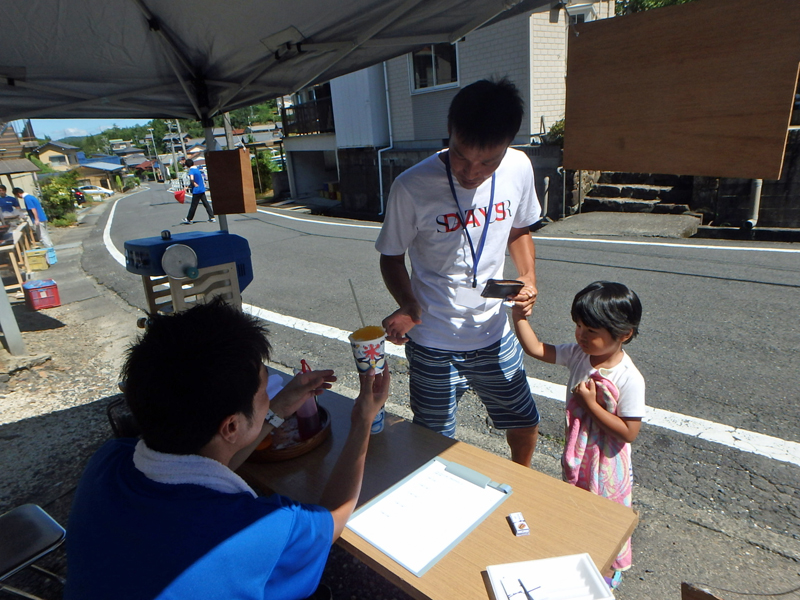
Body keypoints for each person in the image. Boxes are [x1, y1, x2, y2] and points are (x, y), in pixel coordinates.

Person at [65, 299, 389, 600]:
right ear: (231, 426)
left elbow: (204, 467)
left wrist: (276, 409)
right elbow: (334, 518)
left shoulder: (108, 460)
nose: (268, 397)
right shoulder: (255, 528)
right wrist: (362, 419)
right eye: (264, 390)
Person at [375, 78, 541, 466]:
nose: (471, 172)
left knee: (524, 423)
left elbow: (519, 229)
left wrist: (528, 276)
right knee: (432, 439)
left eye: (488, 162)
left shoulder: (519, 167)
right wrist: (408, 303)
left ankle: (523, 485)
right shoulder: (411, 186)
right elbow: (391, 257)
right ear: (449, 133)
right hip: (432, 340)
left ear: (508, 146)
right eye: (461, 156)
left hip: (494, 333)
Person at [511, 281, 645, 588]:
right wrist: (519, 316)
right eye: (578, 326)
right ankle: (583, 550)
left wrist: (590, 404)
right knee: (578, 505)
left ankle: (609, 567)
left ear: (624, 334)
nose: (581, 335)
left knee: (607, 514)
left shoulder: (629, 378)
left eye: (591, 331)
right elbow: (537, 349)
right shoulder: (579, 355)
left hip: (608, 463)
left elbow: (629, 432)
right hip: (579, 452)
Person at [182, 158, 215, 224]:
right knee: (206, 204)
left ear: (187, 165)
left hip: (196, 190)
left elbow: (192, 179)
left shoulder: (191, 171)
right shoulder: (197, 169)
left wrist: (193, 183)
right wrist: (188, 187)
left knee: (193, 205)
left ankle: (189, 219)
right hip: (201, 189)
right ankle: (212, 217)